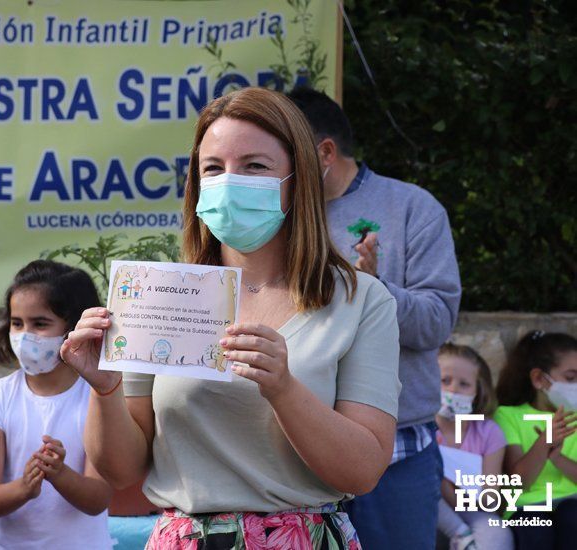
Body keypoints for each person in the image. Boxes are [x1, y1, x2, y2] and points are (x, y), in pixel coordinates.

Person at [61, 87, 401, 549]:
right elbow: (120, 471)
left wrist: (284, 389)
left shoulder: (362, 300)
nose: (229, 182)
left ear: (296, 179)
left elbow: (362, 471)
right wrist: (106, 389)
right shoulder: (159, 295)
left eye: (255, 166)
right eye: (213, 169)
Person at [289, 87, 462, 549]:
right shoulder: (278, 216)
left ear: (324, 151)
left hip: (397, 453)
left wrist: (375, 290)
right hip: (293, 448)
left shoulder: (413, 208)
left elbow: (437, 322)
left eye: (286, 151)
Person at [0, 260, 113, 550]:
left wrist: (60, 474)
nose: (25, 336)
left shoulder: (97, 397)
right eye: (17, 323)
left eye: (40, 324)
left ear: (73, 327)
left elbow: (99, 498)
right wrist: (24, 487)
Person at [494, 330, 577, 549]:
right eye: (570, 377)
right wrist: (545, 442)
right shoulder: (507, 416)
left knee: (572, 516)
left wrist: (558, 459)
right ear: (539, 379)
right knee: (535, 526)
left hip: (573, 504)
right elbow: (518, 484)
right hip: (527, 507)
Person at [434, 343, 513, 550]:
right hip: (425, 509)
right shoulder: (420, 428)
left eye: (464, 384)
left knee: (497, 534)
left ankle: (464, 538)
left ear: (478, 391)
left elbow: (490, 499)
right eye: (445, 381)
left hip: (471, 511)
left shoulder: (488, 432)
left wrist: (454, 489)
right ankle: (461, 535)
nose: (453, 390)